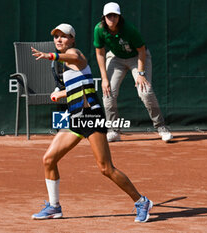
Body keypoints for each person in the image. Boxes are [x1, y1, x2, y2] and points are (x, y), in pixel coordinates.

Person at [30, 23, 153, 222]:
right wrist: (60, 93)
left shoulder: (73, 53)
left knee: (106, 168)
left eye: (64, 36)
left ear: (72, 39)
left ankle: (141, 201)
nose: (58, 40)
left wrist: (50, 56)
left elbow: (76, 58)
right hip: (75, 118)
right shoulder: (64, 63)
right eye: (56, 37)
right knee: (49, 159)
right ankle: (54, 207)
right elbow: (79, 87)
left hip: (90, 117)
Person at [94, 2, 173, 142]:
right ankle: (113, 130)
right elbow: (100, 53)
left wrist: (141, 74)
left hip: (138, 58)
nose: (112, 18)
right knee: (108, 92)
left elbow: (141, 50)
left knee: (145, 91)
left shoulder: (129, 29)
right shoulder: (99, 30)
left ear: (119, 17)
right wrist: (104, 79)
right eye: (109, 16)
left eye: (115, 15)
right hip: (115, 58)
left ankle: (161, 127)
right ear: (104, 17)